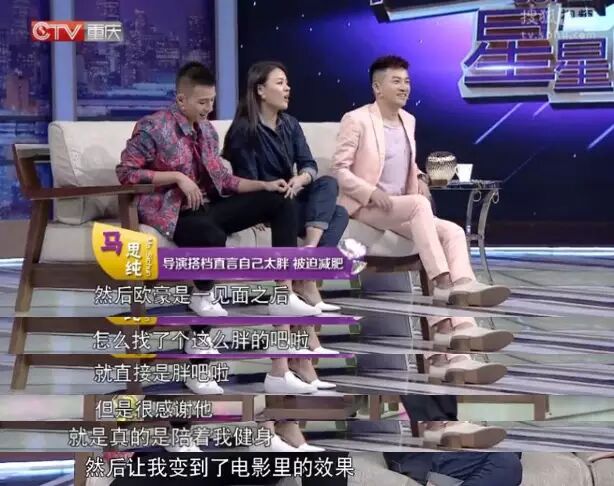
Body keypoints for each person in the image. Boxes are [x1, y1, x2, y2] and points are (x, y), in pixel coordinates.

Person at [116, 62, 325, 399]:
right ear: (181, 99)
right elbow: (126, 173)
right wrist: (176, 178)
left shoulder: (207, 131)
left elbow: (225, 181)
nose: (208, 108)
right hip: (173, 213)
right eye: (202, 102)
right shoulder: (154, 127)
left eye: (212, 101)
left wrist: (264, 186)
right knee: (211, 237)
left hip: (209, 207)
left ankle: (282, 293)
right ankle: (199, 354)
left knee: (279, 201)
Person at [332, 55, 514, 384]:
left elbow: (406, 163)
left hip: (400, 206)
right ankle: (443, 284)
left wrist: (418, 176)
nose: (404, 87)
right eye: (396, 81)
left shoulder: (409, 120)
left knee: (453, 232)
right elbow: (340, 171)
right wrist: (369, 192)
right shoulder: (356, 120)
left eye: (407, 81)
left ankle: (459, 336)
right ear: (377, 87)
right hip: (366, 207)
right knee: (419, 207)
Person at [223, 61, 350, 388]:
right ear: (260, 90)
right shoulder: (243, 131)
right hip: (269, 203)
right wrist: (276, 189)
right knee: (319, 210)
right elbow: (247, 182)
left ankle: (306, 261)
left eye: (287, 82)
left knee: (331, 192)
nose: (287, 88)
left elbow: (308, 164)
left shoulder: (290, 124)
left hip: (292, 196)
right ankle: (305, 282)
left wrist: (300, 178)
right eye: (280, 83)